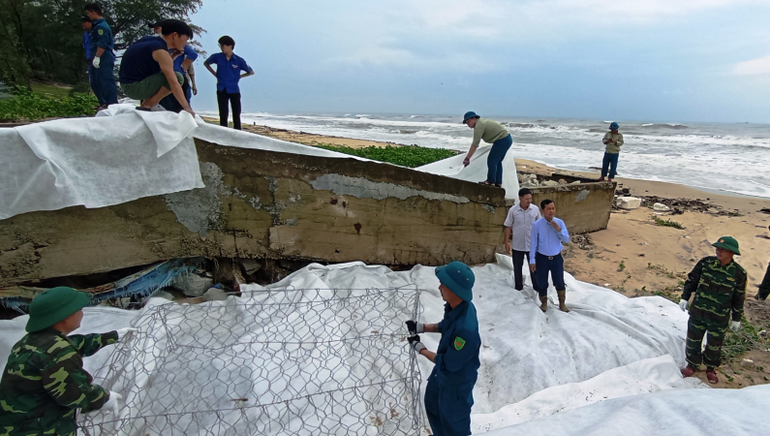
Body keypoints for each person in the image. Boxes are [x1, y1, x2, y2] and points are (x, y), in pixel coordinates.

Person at [0, 287, 135, 436]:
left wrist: (111, 337)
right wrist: (104, 398)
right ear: (65, 316)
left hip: (16, 426)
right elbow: (74, 393)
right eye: (80, 309)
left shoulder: (30, 342)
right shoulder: (58, 352)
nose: (82, 314)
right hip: (40, 430)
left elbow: (74, 343)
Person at [405, 261, 480, 436]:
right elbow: (447, 325)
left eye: (443, 285)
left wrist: (420, 348)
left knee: (454, 426)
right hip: (441, 377)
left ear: (454, 290)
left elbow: (447, 363)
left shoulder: (465, 332)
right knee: (432, 406)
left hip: (455, 385)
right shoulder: (459, 307)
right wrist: (422, 327)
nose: (439, 288)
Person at [679, 236, 746, 384]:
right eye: (717, 248)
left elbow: (738, 297)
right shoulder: (705, 263)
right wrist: (685, 297)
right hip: (699, 312)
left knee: (714, 345)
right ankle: (692, 365)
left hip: (719, 317)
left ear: (732, 253)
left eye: (723, 249)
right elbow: (692, 281)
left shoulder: (738, 273)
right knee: (693, 341)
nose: (718, 251)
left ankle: (710, 368)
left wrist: (736, 318)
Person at [118, 19, 195, 114]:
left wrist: (174, 55)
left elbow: (162, 66)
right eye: (185, 39)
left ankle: (148, 104)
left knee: (165, 74)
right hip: (134, 88)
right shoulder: (160, 51)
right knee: (178, 77)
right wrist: (187, 108)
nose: (185, 43)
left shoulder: (149, 41)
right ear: (175, 35)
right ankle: (149, 105)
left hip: (127, 84)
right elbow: (173, 82)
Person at [204, 36, 255, 130]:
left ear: (230, 46)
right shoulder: (217, 57)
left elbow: (251, 72)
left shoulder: (239, 60)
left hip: (234, 89)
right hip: (221, 88)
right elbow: (206, 63)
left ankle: (238, 133)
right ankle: (224, 133)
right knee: (223, 113)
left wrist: (239, 76)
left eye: (223, 45)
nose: (221, 48)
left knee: (236, 113)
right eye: (220, 45)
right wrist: (215, 74)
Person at [529, 199, 570, 312]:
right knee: (542, 282)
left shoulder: (559, 222)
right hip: (542, 258)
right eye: (549, 209)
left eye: (553, 208)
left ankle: (562, 303)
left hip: (556, 258)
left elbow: (566, 239)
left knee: (559, 281)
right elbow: (533, 243)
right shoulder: (537, 225)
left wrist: (558, 230)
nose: (551, 211)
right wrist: (532, 260)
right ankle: (544, 303)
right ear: (542, 210)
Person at [150, 20, 198, 112]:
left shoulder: (178, 44)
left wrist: (184, 64)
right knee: (166, 106)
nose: (155, 31)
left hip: (177, 77)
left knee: (180, 107)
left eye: (157, 28)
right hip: (164, 78)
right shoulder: (157, 45)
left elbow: (193, 55)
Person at [503, 188, 542, 291]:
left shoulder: (535, 210)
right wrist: (506, 242)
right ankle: (518, 287)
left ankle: (537, 287)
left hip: (532, 245)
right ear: (520, 198)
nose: (529, 201)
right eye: (526, 199)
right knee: (517, 267)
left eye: (530, 198)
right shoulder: (513, 210)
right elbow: (508, 226)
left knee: (534, 268)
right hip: (517, 244)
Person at [461, 111, 513, 188]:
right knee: (497, 162)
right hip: (507, 139)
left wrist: (467, 158)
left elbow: (475, 144)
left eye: (468, 121)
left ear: (474, 118)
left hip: (502, 140)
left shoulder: (479, 125)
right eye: (466, 122)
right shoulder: (480, 123)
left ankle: (490, 182)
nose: (468, 124)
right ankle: (498, 183)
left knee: (492, 160)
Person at [85, 3, 118, 109]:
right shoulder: (96, 25)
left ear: (94, 12)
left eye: (88, 13)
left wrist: (98, 57)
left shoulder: (101, 27)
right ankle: (103, 102)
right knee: (95, 81)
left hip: (103, 56)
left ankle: (111, 103)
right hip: (96, 56)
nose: (88, 15)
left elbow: (102, 43)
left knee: (105, 80)